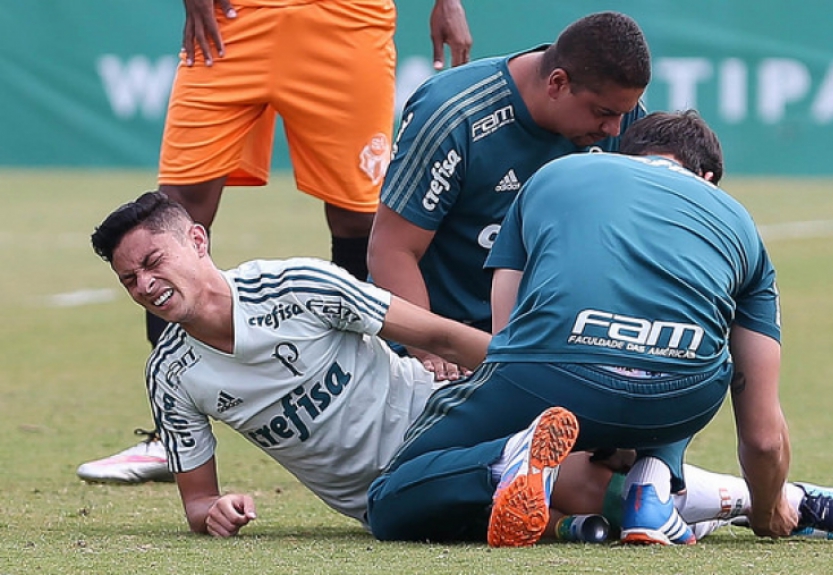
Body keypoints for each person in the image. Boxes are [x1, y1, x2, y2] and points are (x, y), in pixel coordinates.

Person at [89, 191, 775, 539]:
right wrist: (217, 510)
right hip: (380, 497)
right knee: (597, 495)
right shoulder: (172, 374)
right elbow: (197, 498)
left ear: (198, 240)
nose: (145, 285)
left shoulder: (298, 285)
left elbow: (442, 336)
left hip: (439, 422)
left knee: (577, 487)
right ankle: (779, 503)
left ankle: (523, 460)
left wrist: (528, 375)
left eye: (153, 261)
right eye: (129, 281)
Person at [366, 111, 833, 547]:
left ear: (623, 157)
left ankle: (506, 460)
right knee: (690, 353)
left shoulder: (558, 174)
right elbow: (761, 435)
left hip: (550, 377)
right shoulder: (740, 225)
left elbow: (508, 336)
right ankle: (656, 480)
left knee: (388, 500)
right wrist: (768, 515)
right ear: (707, 177)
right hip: (676, 404)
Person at [77, 0, 473, 484]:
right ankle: (169, 436)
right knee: (176, 207)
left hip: (344, 18)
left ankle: (393, 405)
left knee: (357, 218)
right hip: (231, 18)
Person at [367, 10, 648, 380]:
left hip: (543, 338)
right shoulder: (454, 115)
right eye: (603, 113)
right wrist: (432, 351)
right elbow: (390, 249)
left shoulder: (623, 121)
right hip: (437, 337)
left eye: (622, 113)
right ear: (557, 83)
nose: (615, 128)